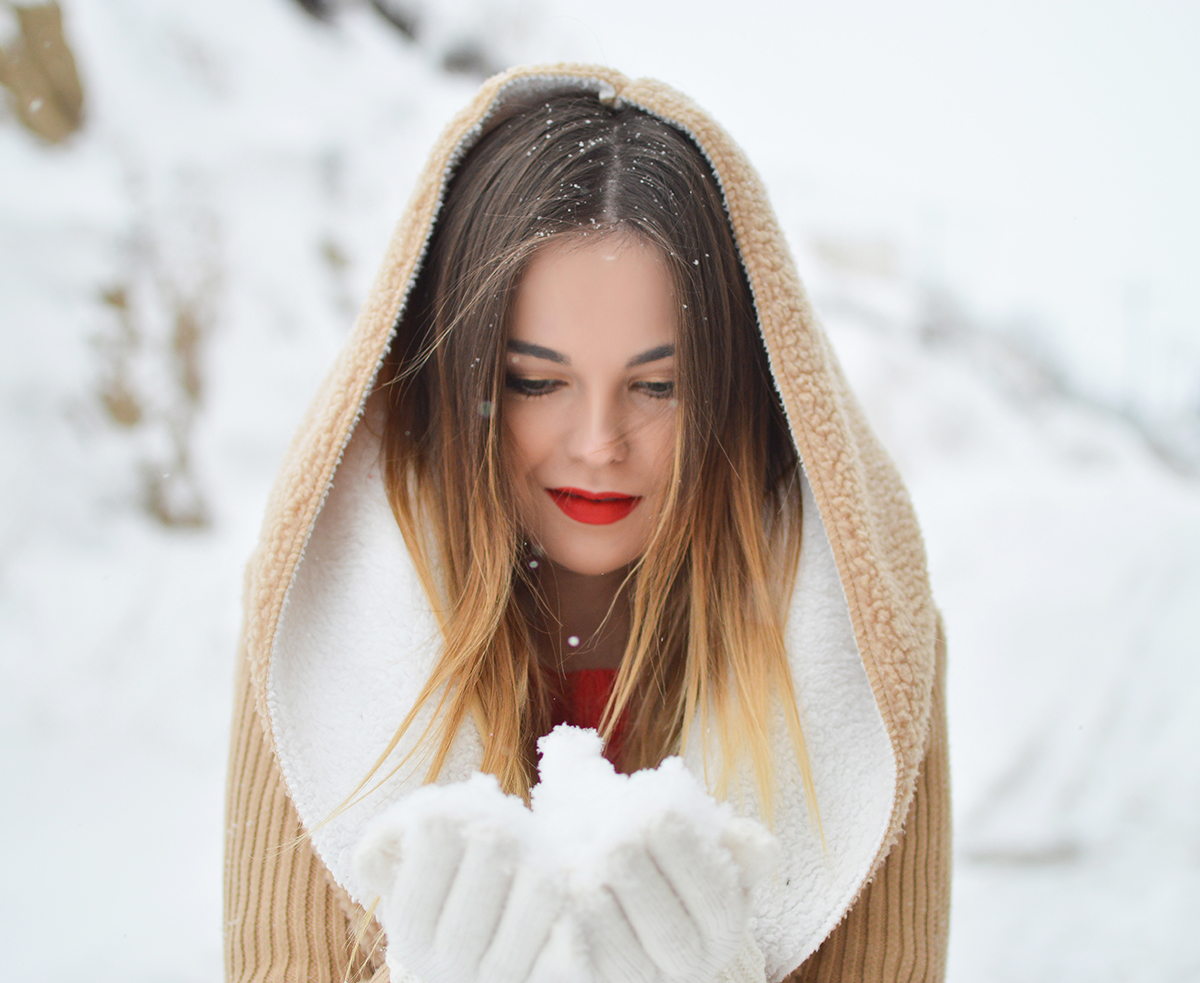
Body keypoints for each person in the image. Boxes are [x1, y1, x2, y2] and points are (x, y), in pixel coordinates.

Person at [224, 65, 950, 983]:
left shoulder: (860, 648)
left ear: (736, 390)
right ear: (462, 379)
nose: (600, 443)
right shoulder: (320, 623)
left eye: (657, 385)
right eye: (537, 381)